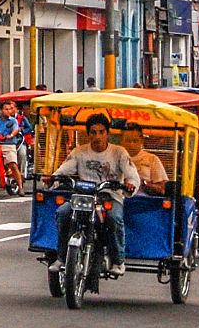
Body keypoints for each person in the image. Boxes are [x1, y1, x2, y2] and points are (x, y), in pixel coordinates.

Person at [51, 114, 140, 273]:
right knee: (63, 213)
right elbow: (63, 171)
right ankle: (61, 257)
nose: (97, 136)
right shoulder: (79, 152)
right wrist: (52, 179)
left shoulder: (119, 152)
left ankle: (119, 261)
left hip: (110, 197)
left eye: (101, 132)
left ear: (108, 133)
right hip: (84, 197)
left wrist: (130, 185)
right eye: (93, 132)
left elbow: (133, 176)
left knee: (114, 218)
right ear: (88, 134)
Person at [119, 121, 169, 196]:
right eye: (128, 141)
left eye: (135, 141)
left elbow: (162, 189)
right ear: (121, 141)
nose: (131, 144)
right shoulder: (113, 157)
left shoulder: (152, 159)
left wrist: (144, 184)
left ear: (141, 141)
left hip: (143, 201)